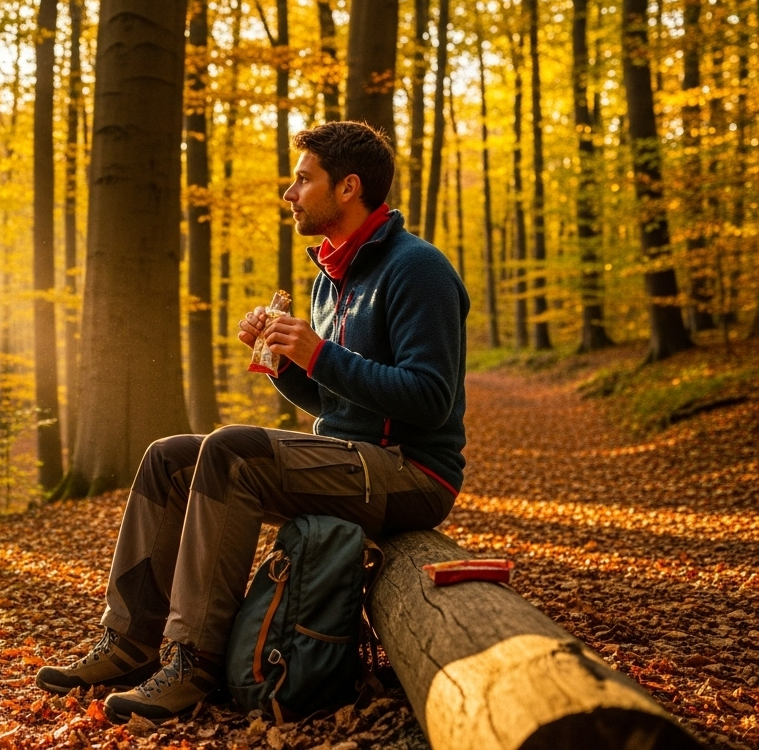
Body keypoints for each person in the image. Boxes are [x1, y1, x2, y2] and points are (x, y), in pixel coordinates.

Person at [34, 121, 469, 723]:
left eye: (303, 179)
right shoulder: (331, 278)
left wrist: (317, 353)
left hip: (412, 473)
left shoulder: (417, 268)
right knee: (169, 457)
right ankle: (130, 642)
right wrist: (286, 363)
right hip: (353, 459)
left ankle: (193, 661)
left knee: (233, 450)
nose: (290, 193)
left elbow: (429, 398)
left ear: (348, 187)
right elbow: (337, 405)